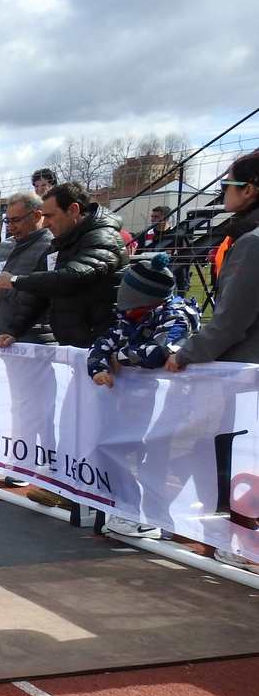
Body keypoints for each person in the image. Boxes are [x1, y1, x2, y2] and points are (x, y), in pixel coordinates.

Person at [85, 252, 201, 539]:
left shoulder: (176, 315)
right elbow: (102, 344)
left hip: (177, 404)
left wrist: (120, 358)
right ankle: (132, 511)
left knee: (162, 459)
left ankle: (157, 519)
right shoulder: (129, 316)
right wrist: (99, 367)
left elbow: (157, 353)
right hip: (140, 404)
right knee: (120, 450)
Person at [0, 181, 128, 349]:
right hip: (75, 346)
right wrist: (13, 331)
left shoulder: (103, 238)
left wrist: (15, 280)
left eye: (49, 216)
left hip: (104, 346)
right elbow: (38, 296)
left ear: (73, 210)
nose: (45, 223)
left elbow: (73, 277)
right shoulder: (60, 243)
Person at [167, 151, 259, 370]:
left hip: (245, 371)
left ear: (248, 190)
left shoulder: (252, 244)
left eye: (225, 184)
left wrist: (184, 355)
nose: (223, 191)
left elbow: (231, 322)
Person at [0, 192, 54, 344]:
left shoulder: (51, 247)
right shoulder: (6, 245)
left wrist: (1, 290)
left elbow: (46, 297)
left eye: (16, 220)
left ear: (37, 216)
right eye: (7, 221)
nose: (10, 227)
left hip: (30, 341)